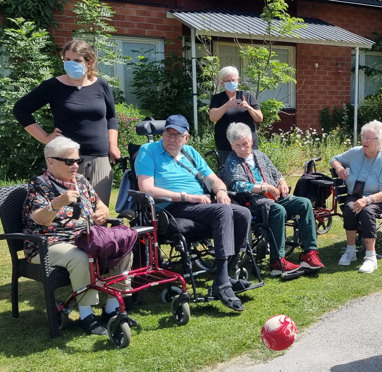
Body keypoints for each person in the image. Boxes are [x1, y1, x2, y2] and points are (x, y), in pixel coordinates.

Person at [135, 114, 251, 312]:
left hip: (200, 206)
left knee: (242, 213)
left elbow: (214, 180)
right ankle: (222, 284)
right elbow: (147, 190)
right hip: (171, 208)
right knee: (223, 212)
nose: (171, 138)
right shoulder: (148, 151)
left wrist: (221, 191)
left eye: (177, 135)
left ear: (186, 138)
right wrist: (187, 196)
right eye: (167, 133)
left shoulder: (190, 152)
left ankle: (226, 272)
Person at [23, 137, 133, 336]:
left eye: (77, 161)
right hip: (48, 242)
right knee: (81, 256)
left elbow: (98, 203)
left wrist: (103, 211)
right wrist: (57, 203)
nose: (75, 165)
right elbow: (39, 219)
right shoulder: (37, 185)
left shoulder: (80, 181)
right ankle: (86, 315)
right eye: (69, 161)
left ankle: (112, 308)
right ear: (51, 161)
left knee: (123, 246)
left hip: (84, 235)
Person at [14, 39, 120, 206]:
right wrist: (45, 138)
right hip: (66, 161)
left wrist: (113, 145)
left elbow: (111, 117)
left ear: (89, 62)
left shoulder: (101, 85)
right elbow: (20, 109)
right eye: (67, 60)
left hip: (99, 159)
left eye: (77, 60)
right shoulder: (53, 86)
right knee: (70, 214)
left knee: (100, 214)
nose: (71, 64)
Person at [220, 122, 325, 277]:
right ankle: (277, 261)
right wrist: (264, 188)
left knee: (304, 203)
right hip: (253, 202)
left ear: (251, 141)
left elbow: (276, 173)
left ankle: (309, 253)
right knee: (278, 210)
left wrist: (282, 182)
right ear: (231, 145)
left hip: (274, 198)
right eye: (238, 145)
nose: (242, 149)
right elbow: (236, 184)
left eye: (245, 144)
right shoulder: (232, 161)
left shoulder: (260, 155)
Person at [330, 120, 382, 274]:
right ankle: (351, 251)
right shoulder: (355, 152)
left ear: (379, 141)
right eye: (363, 137)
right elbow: (334, 159)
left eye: (369, 138)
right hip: (356, 194)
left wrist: (367, 200)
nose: (364, 141)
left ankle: (370, 257)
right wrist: (339, 167)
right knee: (349, 208)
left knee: (367, 212)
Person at [209, 66, 264, 168]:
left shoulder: (248, 96)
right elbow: (213, 117)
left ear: (238, 80)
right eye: (228, 81)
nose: (231, 83)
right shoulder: (218, 98)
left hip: (247, 144)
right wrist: (227, 105)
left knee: (252, 170)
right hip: (226, 145)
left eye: (233, 80)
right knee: (228, 173)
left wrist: (248, 107)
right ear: (222, 83)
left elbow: (259, 118)